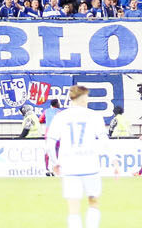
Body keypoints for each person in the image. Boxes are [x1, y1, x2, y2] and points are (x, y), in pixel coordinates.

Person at [48, 85, 107, 228]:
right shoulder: (94, 115)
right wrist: (114, 159)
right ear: (83, 97)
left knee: (73, 207)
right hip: (90, 165)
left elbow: (50, 143)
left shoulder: (61, 116)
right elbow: (104, 139)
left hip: (69, 166)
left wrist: (55, 162)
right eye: (87, 96)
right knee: (93, 202)